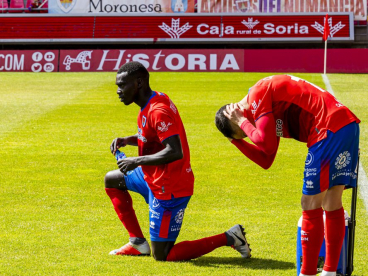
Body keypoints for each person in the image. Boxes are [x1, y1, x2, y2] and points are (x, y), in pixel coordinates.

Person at [105, 61, 251, 261]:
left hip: (170, 186)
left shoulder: (158, 110)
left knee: (162, 255)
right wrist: (129, 140)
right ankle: (138, 243)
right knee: (112, 180)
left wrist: (136, 161)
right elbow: (155, 136)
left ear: (138, 83)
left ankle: (230, 237)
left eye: (122, 85)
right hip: (152, 175)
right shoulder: (153, 100)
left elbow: (175, 151)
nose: (118, 91)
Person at [215, 75, 360, 276]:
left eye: (244, 133)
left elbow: (264, 143)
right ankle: (329, 272)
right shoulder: (260, 107)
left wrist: (241, 122)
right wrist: (236, 140)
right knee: (331, 201)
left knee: (309, 203)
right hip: (344, 125)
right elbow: (267, 159)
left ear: (236, 116)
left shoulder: (258, 92)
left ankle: (307, 273)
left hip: (327, 128)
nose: (249, 134)